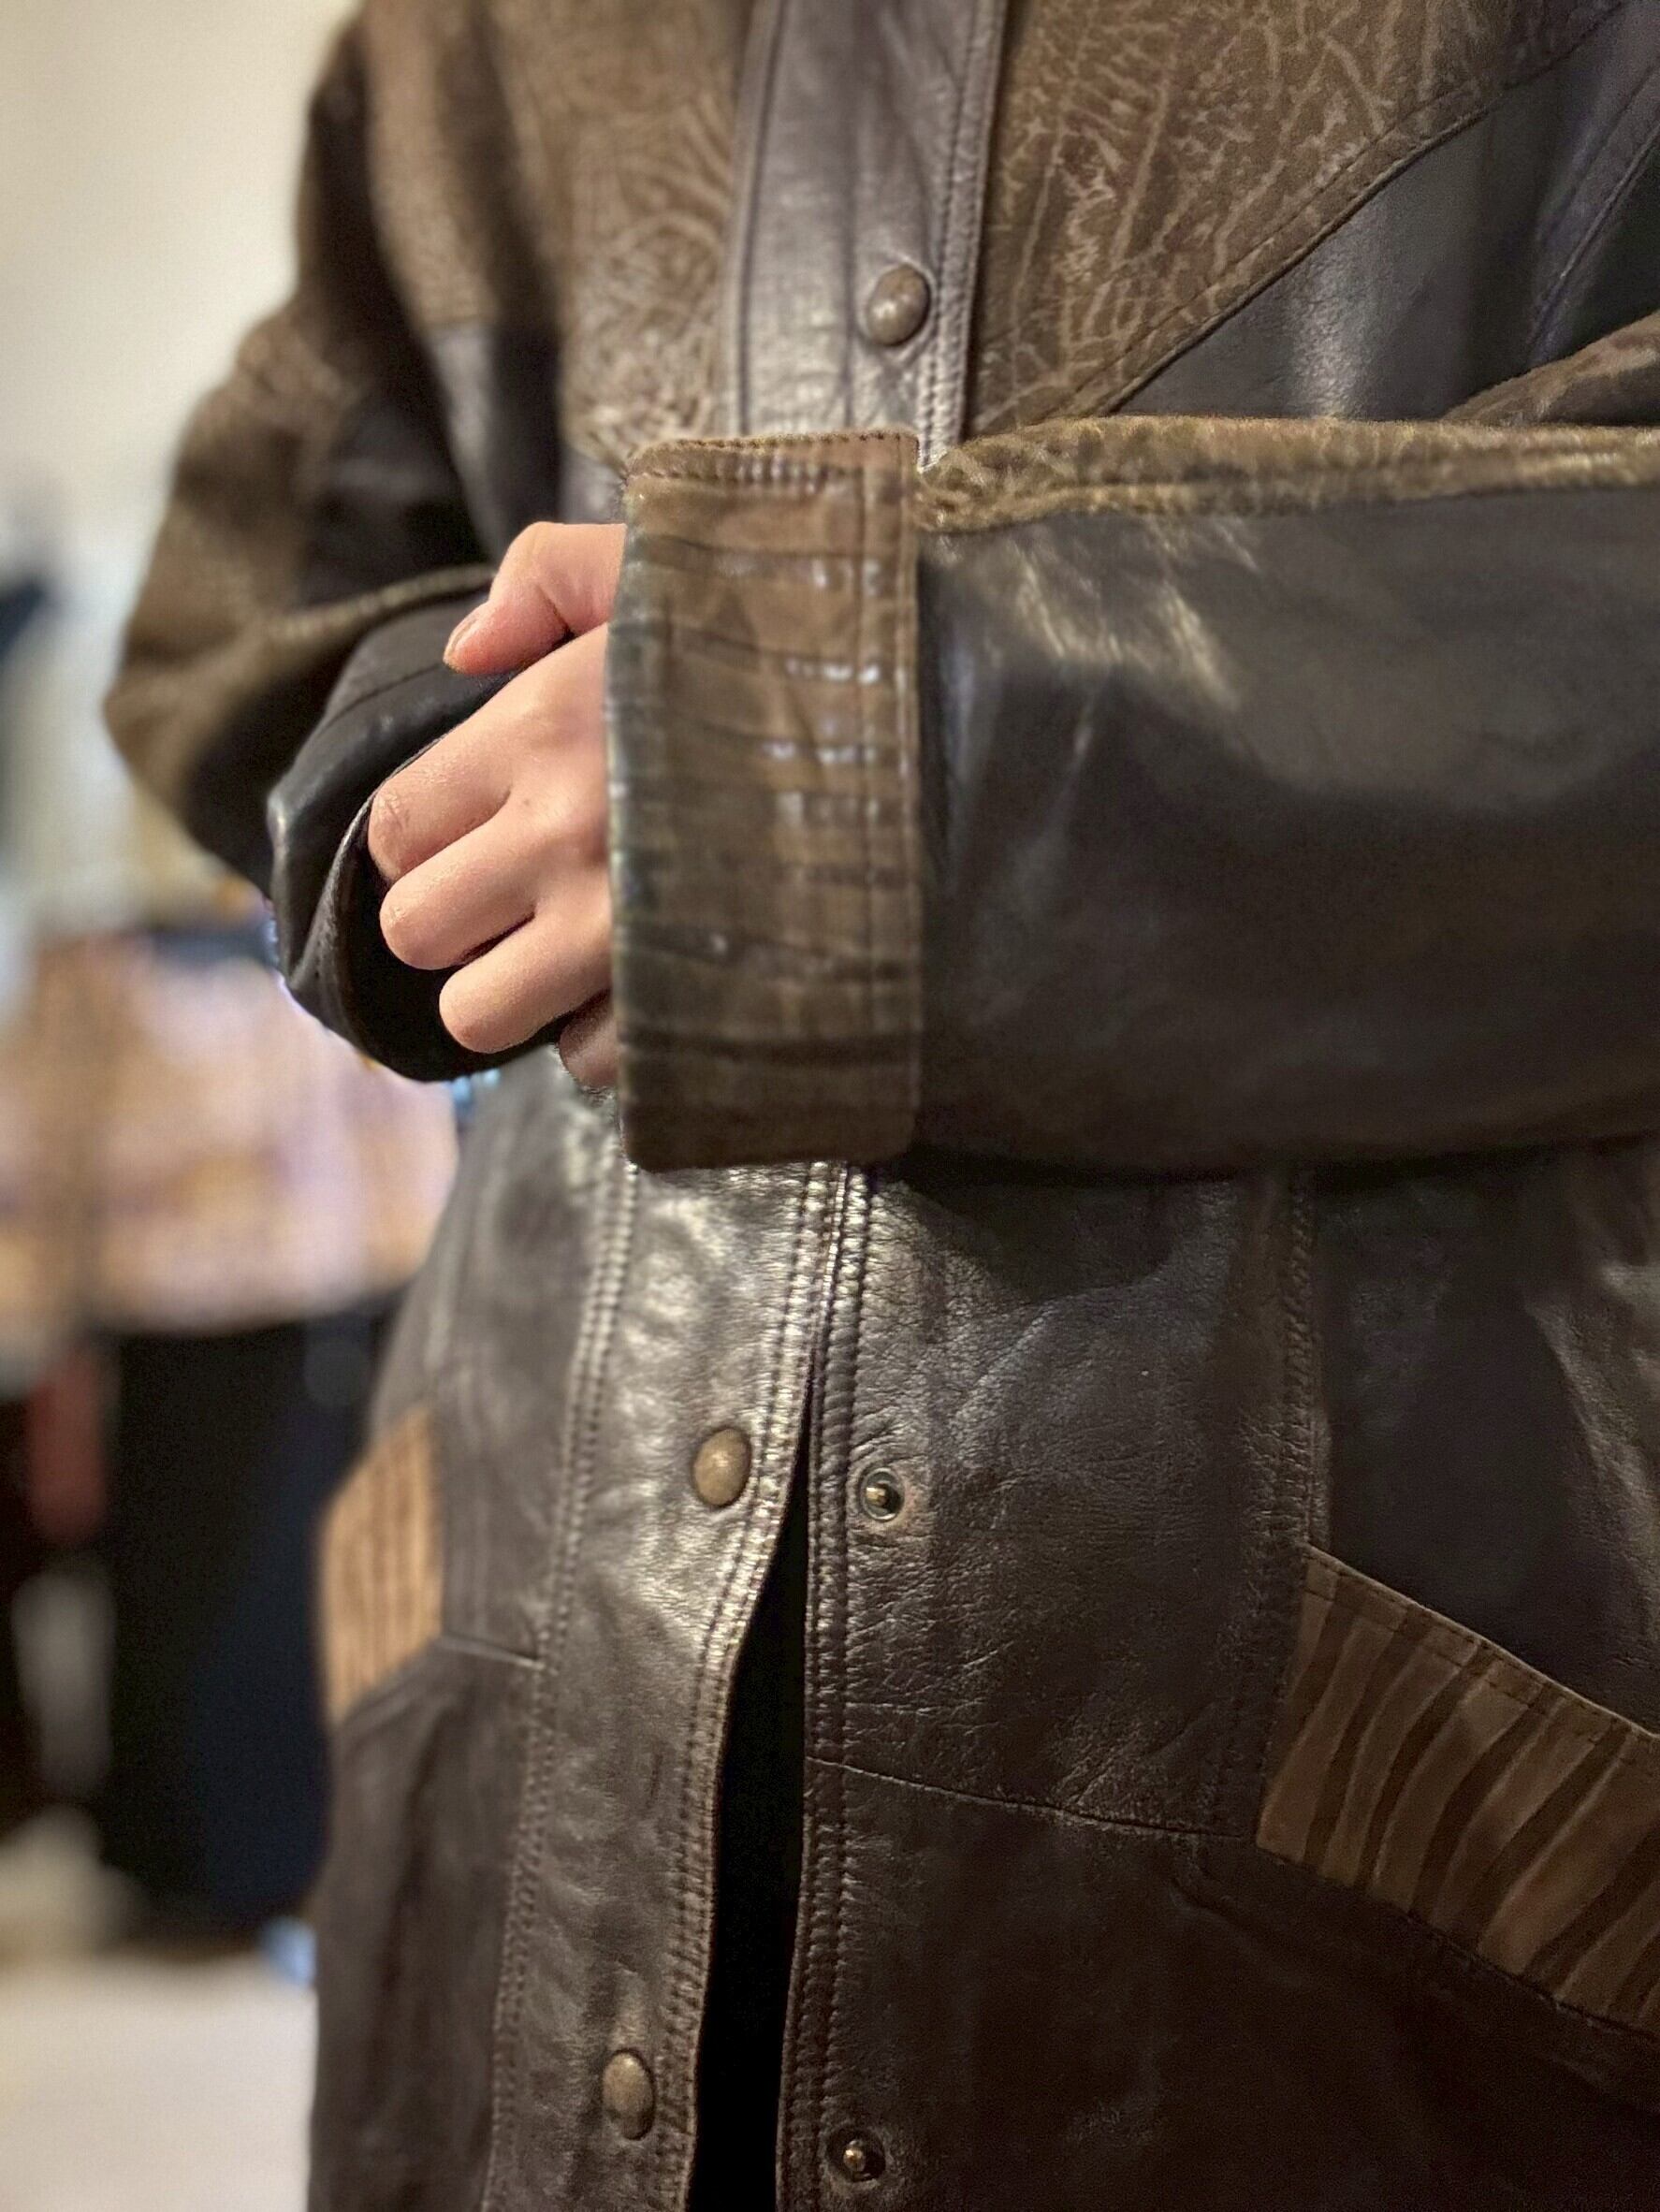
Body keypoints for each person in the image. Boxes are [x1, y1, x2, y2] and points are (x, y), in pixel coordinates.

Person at [107, 1, 1660, 2203]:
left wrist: (849, 743)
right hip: (554, 1696)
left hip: (1391, 1822)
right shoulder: (482, 32)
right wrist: (461, 799)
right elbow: (244, 633)